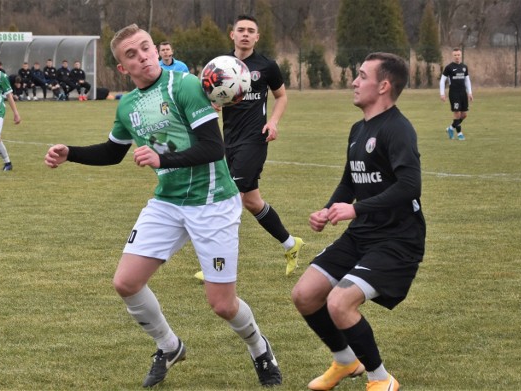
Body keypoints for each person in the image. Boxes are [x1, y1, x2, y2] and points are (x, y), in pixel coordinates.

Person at [43, 24, 282, 389]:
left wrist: (161, 158)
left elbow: (212, 148)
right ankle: (169, 346)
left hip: (212, 202)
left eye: (146, 48)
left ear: (157, 50)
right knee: (126, 282)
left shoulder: (184, 85)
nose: (143, 57)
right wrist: (70, 153)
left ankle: (259, 347)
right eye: (131, 55)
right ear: (123, 69)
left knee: (222, 304)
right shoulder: (128, 105)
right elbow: (112, 152)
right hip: (168, 203)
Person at [291, 52, 426, 391]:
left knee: (339, 301)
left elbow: (410, 186)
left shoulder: (398, 129)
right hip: (362, 233)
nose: (354, 81)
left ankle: (381, 380)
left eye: (362, 76)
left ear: (383, 85)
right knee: (305, 294)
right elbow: (350, 182)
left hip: (397, 240)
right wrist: (328, 209)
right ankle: (344, 360)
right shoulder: (358, 128)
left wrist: (356, 210)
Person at [195, 14, 303, 281]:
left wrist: (274, 122)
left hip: (255, 139)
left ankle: (216, 265)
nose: (245, 34)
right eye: (240, 30)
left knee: (231, 199)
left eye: (250, 31)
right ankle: (291, 244)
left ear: (257, 37)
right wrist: (212, 104)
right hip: (227, 140)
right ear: (232, 34)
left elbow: (281, 96)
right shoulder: (220, 65)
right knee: (253, 202)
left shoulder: (267, 66)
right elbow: (207, 96)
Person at [440, 47, 473, 141]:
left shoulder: (464, 67)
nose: (457, 57)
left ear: (461, 55)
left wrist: (470, 92)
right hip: (454, 93)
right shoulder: (449, 67)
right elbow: (442, 80)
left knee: (464, 115)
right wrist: (442, 94)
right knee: (457, 113)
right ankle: (459, 133)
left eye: (458, 55)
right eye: (455, 55)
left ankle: (451, 128)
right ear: (452, 56)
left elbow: (467, 80)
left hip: (463, 93)